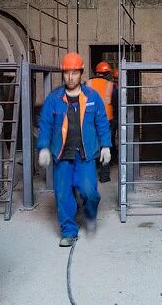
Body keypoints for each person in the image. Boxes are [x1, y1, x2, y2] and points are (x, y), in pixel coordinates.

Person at [37, 52, 112, 246]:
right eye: (67, 73)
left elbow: (102, 122)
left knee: (89, 192)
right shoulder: (54, 98)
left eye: (74, 73)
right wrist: (43, 147)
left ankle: (90, 214)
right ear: (63, 74)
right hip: (62, 154)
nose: (70, 77)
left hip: (85, 154)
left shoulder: (92, 96)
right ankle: (69, 231)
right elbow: (45, 124)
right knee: (62, 194)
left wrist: (106, 146)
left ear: (81, 73)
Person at [86, 61, 118, 183]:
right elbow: (115, 102)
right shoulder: (111, 86)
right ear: (107, 73)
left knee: (90, 146)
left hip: (89, 120)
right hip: (107, 120)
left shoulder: (87, 84)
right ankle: (104, 176)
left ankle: (90, 175)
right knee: (106, 146)